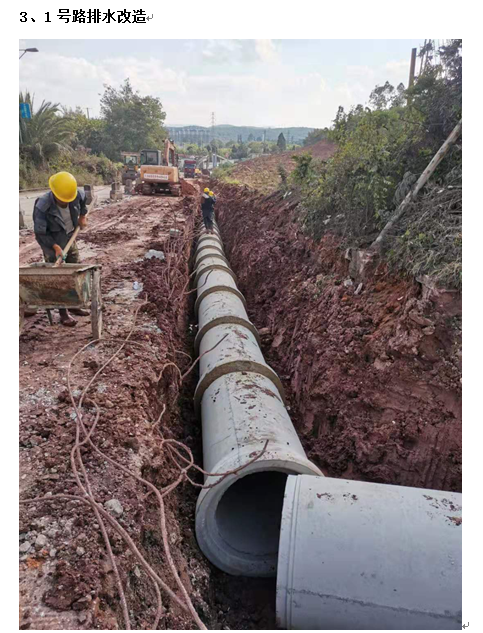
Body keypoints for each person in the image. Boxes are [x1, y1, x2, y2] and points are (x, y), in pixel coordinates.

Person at [33, 171, 89, 327]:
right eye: (62, 201)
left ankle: (74, 305)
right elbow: (40, 233)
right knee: (58, 278)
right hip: (51, 241)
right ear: (54, 193)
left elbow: (83, 201)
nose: (65, 203)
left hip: (69, 236)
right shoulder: (42, 206)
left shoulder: (75, 194)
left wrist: (82, 216)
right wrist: (55, 247)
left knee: (75, 270)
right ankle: (63, 313)